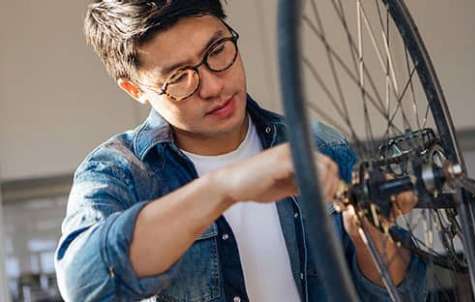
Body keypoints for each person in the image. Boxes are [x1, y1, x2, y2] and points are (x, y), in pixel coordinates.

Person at [54, 1, 427, 301]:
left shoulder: (318, 145)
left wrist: (370, 236)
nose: (213, 85)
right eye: (179, 77)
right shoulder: (118, 171)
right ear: (134, 89)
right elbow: (83, 284)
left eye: (217, 50)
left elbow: (400, 294)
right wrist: (225, 187)